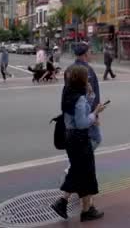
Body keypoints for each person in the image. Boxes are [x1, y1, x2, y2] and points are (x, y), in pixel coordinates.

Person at [51, 65, 105, 222]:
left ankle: (80, 207)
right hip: (79, 139)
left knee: (78, 170)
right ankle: (82, 209)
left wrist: (90, 94)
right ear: (81, 79)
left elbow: (79, 110)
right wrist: (95, 113)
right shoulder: (79, 98)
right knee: (86, 172)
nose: (88, 79)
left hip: (69, 137)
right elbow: (82, 122)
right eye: (86, 77)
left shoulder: (67, 91)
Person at [64, 43, 100, 111]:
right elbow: (92, 93)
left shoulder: (69, 69)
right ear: (85, 54)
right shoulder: (87, 70)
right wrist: (95, 113)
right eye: (90, 52)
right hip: (85, 111)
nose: (91, 55)